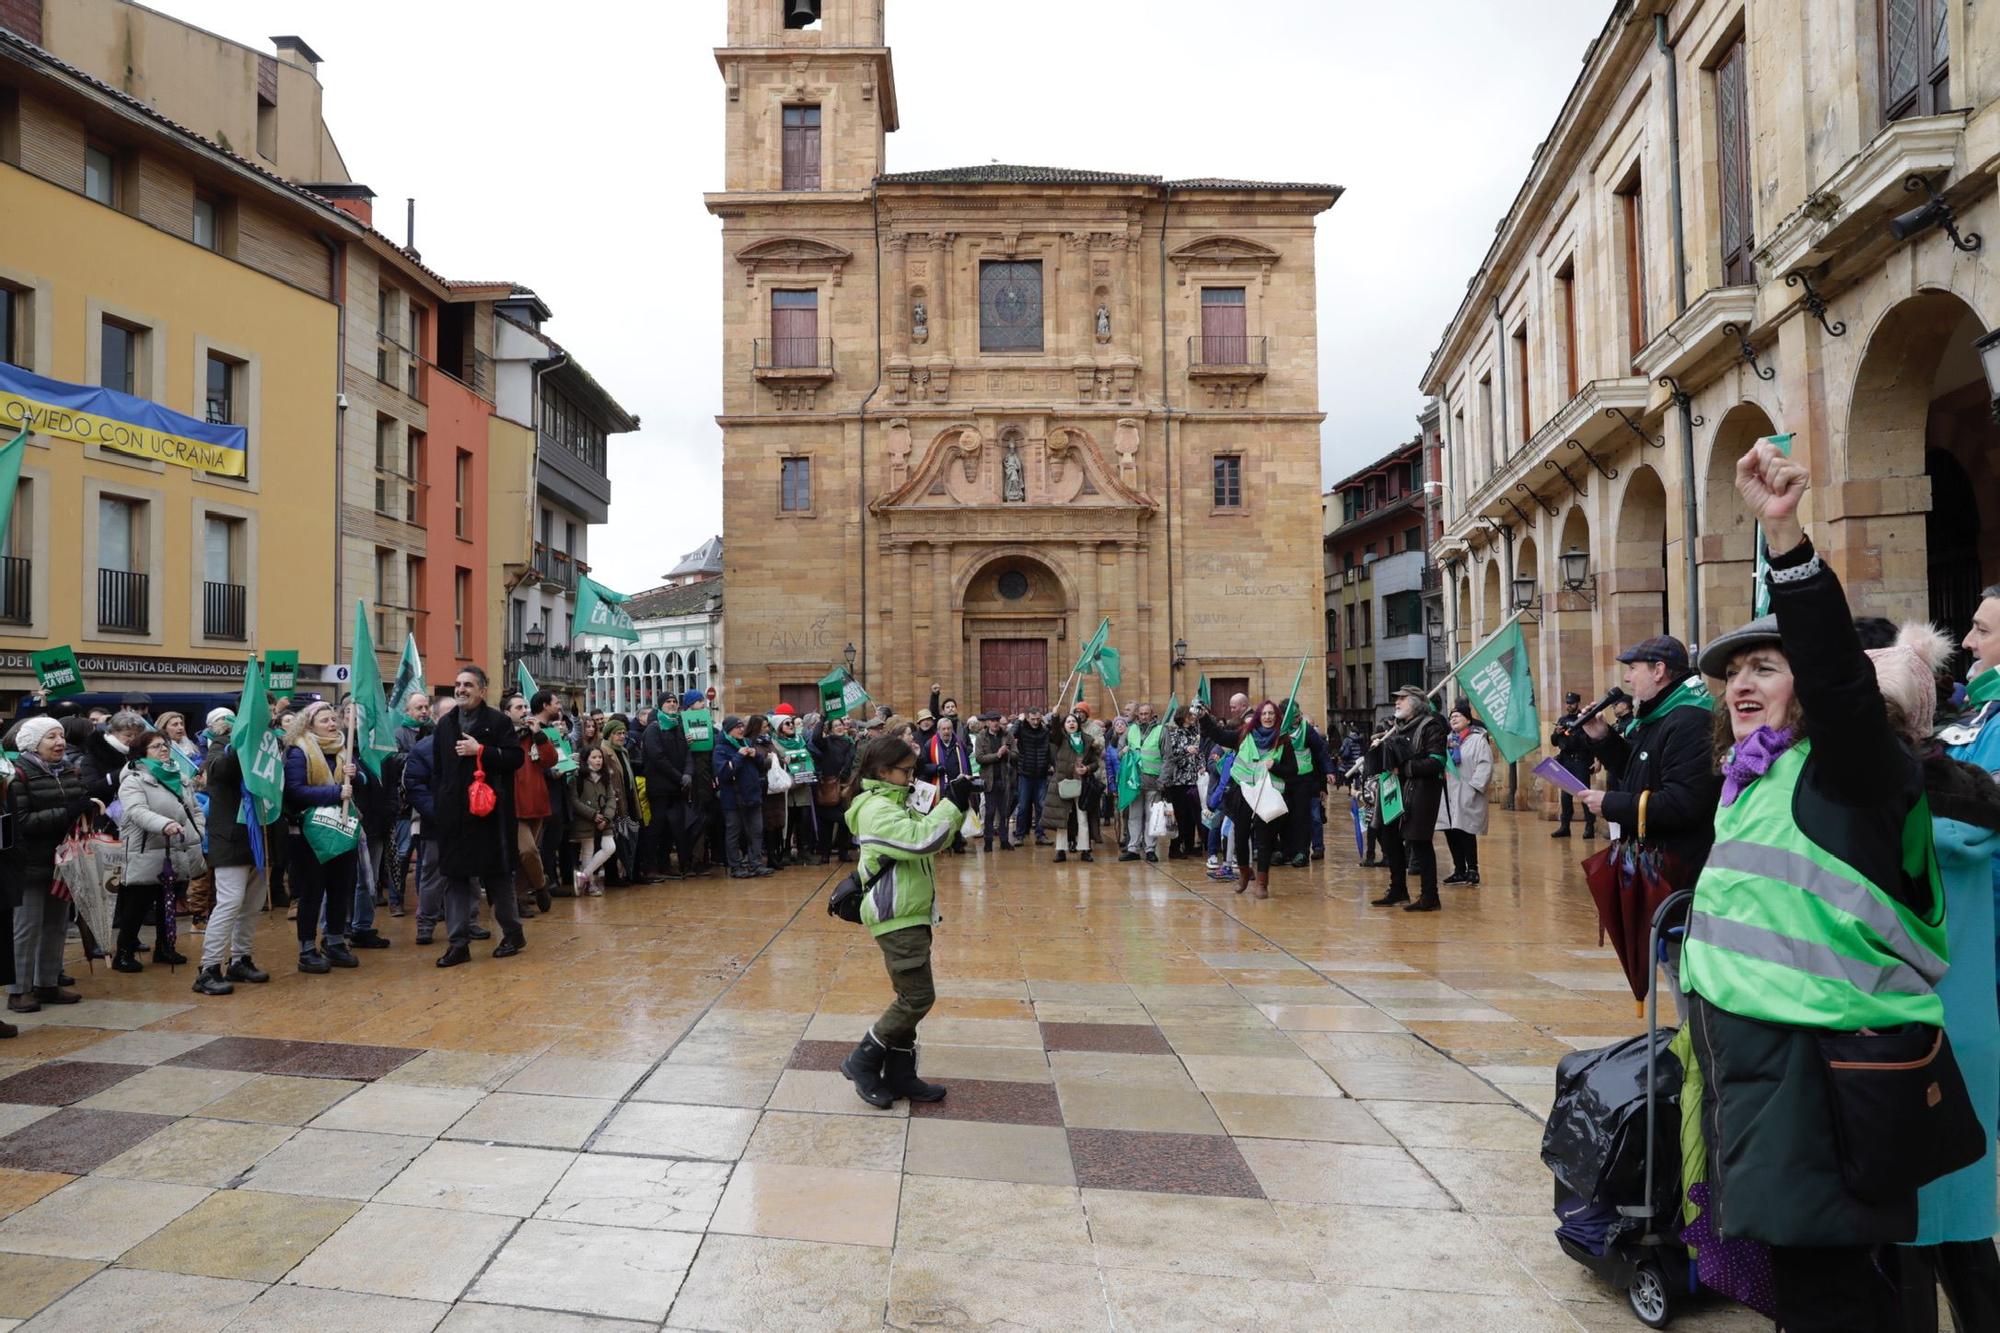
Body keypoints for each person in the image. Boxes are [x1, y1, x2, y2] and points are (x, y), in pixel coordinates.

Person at [1679, 439, 1957, 1328]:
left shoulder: (1852, 769)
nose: (1740, 684)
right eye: (1731, 673)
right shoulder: (1754, 779)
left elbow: (1838, 678)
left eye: (1764, 667)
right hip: (1761, 1071)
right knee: (1806, 1285)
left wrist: (1785, 544)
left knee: (1829, 1292)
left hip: (1830, 1074)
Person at [837, 733, 973, 1109]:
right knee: (917, 997)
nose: (911, 778)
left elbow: (935, 839)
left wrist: (954, 805)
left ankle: (900, 1074)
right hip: (895, 913)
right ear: (883, 771)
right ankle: (862, 1060)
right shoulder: (876, 809)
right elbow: (920, 840)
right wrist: (951, 805)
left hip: (910, 910)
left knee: (909, 996)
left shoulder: (894, 800)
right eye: (906, 771)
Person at [1578, 630, 1720, 877]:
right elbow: (1639, 771)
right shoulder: (1658, 715)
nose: (1627, 678)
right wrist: (1603, 737)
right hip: (1657, 864)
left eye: (1633, 668)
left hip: (1677, 870)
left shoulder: (1690, 720)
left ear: (1658, 671)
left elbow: (1681, 804)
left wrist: (1610, 803)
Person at [428, 667, 528, 966]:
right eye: (458, 684)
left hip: (490, 816)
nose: (461, 689)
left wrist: (481, 750)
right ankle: (458, 943)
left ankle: (512, 933)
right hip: (454, 816)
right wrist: (441, 802)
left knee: (497, 877)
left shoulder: (498, 722)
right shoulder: (445, 725)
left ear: (482, 690)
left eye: (468, 685)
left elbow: (515, 758)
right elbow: (438, 770)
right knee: (455, 878)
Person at [4, 716, 86, 1022]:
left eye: (61, 735)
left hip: (62, 861)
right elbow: (21, 821)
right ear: (33, 743)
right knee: (26, 927)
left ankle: (47, 983)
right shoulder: (18, 774)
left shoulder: (68, 770)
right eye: (51, 737)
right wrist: (66, 812)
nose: (59, 742)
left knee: (56, 923)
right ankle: (19, 990)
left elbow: (77, 803)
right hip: (29, 863)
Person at [281, 701, 364, 974]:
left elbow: (362, 783)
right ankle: (307, 949)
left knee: (340, 889)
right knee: (312, 892)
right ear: (309, 725)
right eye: (325, 720)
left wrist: (356, 776)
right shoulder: (298, 751)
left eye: (333, 719)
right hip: (308, 836)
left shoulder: (344, 749)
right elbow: (294, 791)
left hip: (341, 829)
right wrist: (335, 792)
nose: (332, 724)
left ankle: (335, 941)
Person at [114, 730, 203, 975]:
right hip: (147, 849)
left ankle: (165, 947)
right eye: (155, 746)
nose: (163, 749)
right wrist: (164, 825)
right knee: (138, 904)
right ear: (142, 753)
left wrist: (198, 831)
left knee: (168, 901)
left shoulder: (180, 777)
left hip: (176, 848)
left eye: (165, 745)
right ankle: (124, 952)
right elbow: (136, 811)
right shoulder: (133, 780)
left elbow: (194, 809)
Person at [197, 726, 271, 996]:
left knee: (252, 905)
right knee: (229, 903)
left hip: (262, 836)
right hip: (231, 837)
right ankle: (209, 968)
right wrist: (241, 745)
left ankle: (240, 959)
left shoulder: (270, 743)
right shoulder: (222, 743)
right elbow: (219, 771)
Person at [1371, 686, 1450, 912]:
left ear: (1416, 702)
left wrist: (1404, 768)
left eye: (1402, 699)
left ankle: (1430, 896)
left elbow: (1437, 761)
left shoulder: (1431, 726)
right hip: (1396, 791)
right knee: (1389, 837)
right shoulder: (1397, 727)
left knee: (1419, 841)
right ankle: (1398, 889)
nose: (1397, 702)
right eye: (1396, 699)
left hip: (1422, 791)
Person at [1224, 699, 1300, 899]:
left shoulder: (1282, 741)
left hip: (1267, 795)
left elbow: (1293, 770)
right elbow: (1219, 735)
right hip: (1245, 792)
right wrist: (1204, 718)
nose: (1267, 717)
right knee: (1240, 835)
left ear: (1276, 717)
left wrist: (1274, 766)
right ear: (1258, 717)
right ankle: (1244, 873)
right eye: (1264, 713)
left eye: (1271, 714)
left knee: (1264, 839)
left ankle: (1261, 882)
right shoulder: (1244, 735)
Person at [506, 693, 559, 910]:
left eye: (525, 707)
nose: (524, 711)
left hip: (536, 801)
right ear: (507, 712)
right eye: (518, 708)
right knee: (527, 851)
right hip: (514, 803)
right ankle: (541, 886)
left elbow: (551, 760)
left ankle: (519, 898)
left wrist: (538, 735)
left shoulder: (533, 734)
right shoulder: (503, 736)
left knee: (527, 855)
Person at [1440, 702, 1493, 886]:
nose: (1453, 718)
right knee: (1451, 830)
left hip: (1467, 791)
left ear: (1468, 720)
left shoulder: (1478, 740)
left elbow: (1485, 764)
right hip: (1448, 792)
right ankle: (1459, 869)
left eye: (1458, 716)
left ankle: (1472, 869)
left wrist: (1474, 787)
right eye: (1451, 717)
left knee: (1466, 830)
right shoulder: (1446, 741)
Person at [716, 715, 774, 878]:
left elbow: (762, 766)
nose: (741, 729)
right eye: (737, 727)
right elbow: (724, 773)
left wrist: (757, 756)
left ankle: (756, 863)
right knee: (734, 832)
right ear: (729, 730)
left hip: (752, 796)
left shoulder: (748, 743)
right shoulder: (721, 749)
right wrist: (739, 756)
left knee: (756, 831)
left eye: (742, 726)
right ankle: (735, 866)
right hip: (733, 799)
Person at [1041, 711, 1102, 863]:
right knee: (1063, 818)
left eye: (1073, 721)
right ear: (1064, 726)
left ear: (1078, 724)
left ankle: (1085, 849)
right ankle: (1061, 850)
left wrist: (1087, 769)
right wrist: (1055, 716)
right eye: (1068, 722)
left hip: (1081, 783)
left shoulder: (1087, 740)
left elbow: (1095, 763)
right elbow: (1054, 731)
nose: (1071, 724)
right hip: (1063, 783)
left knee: (1082, 818)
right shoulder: (1060, 739)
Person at [567, 744, 622, 896]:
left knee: (610, 847)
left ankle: (583, 876)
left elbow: (611, 799)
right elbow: (574, 800)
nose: (598, 760)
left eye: (600, 757)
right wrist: (592, 814)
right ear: (586, 759)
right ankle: (589, 884)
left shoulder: (605, 777)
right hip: (585, 820)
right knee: (588, 851)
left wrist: (606, 817)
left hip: (604, 819)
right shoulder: (577, 777)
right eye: (594, 757)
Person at [1119, 702, 1168, 862]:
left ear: (1152, 714)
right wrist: (1122, 752)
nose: (1144, 717)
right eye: (1141, 714)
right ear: (1137, 715)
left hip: (1153, 781)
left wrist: (1163, 779)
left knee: (1151, 817)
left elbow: (1168, 757)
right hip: (1134, 781)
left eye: (1146, 714)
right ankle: (1133, 848)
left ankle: (1150, 849)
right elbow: (1119, 751)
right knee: (1134, 816)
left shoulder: (1161, 730)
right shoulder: (1130, 730)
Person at [599, 717, 644, 886]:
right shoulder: (604, 752)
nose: (622, 736)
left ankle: (632, 873)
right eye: (618, 733)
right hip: (615, 802)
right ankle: (613, 877)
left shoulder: (623, 751)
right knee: (615, 839)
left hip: (629, 798)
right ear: (609, 735)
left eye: (624, 733)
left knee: (631, 836)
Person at [808, 714, 858, 864]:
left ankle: (843, 852)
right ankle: (825, 853)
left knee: (845, 821)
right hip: (829, 786)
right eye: (835, 725)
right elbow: (815, 738)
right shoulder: (826, 742)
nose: (839, 727)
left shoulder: (849, 743)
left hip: (845, 786)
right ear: (830, 729)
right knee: (826, 823)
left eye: (840, 724)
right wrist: (822, 720)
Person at [1549, 691, 1598, 838]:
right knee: (1565, 796)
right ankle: (1565, 826)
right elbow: (1554, 742)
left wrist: (1572, 733)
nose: (1569, 706)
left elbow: (1590, 740)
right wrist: (1558, 733)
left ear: (1577, 703)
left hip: (1581, 761)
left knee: (1584, 794)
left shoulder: (1584, 719)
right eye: (1568, 703)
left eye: (1572, 703)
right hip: (1566, 761)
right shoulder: (1562, 720)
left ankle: (1590, 826)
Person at [922, 715, 973, 853]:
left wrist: (968, 780)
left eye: (949, 729)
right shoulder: (929, 744)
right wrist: (935, 768)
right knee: (942, 817)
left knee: (957, 815)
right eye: (943, 729)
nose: (946, 732)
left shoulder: (959, 744)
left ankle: (957, 843)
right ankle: (941, 844)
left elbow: (967, 764)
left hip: (957, 787)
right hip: (940, 787)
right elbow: (923, 766)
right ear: (938, 730)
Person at [1162, 706, 1203, 860]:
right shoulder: (1173, 734)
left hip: (1193, 779)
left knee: (1191, 815)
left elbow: (1200, 753)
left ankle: (1189, 846)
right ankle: (1175, 847)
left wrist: (1201, 765)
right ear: (1183, 717)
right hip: (1178, 781)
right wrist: (1186, 750)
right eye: (1189, 715)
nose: (1193, 717)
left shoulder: (1195, 733)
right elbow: (1171, 755)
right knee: (1179, 815)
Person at [972, 713, 1015, 852]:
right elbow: (979, 758)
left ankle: (1004, 840)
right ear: (987, 723)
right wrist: (997, 755)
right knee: (989, 812)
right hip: (989, 780)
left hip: (1004, 778)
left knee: (1004, 812)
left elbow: (1016, 755)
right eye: (992, 720)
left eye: (997, 720)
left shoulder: (1007, 735)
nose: (995, 723)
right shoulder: (981, 737)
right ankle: (988, 841)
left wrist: (1007, 752)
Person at [1011, 708, 1052, 846]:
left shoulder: (1045, 730)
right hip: (1025, 774)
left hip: (1041, 774)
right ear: (1027, 718)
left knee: (1041, 806)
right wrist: (1018, 721)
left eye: (1038, 719)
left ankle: (1040, 835)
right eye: (1032, 719)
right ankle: (1020, 835)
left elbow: (1055, 736)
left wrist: (1048, 723)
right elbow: (1011, 735)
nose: (1035, 722)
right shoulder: (1022, 729)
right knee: (1023, 806)